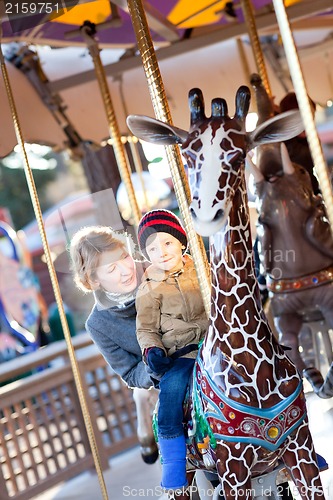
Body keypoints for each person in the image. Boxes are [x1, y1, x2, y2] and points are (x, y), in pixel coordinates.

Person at [136, 209, 208, 491]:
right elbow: (145, 328)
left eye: (167, 242)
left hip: (215, 341)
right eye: (152, 248)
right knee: (172, 393)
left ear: (181, 241)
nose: (161, 252)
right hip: (183, 353)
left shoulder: (201, 268)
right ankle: (175, 461)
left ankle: (292, 437)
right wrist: (152, 349)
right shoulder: (149, 287)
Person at [69, 226, 153, 390]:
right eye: (112, 268)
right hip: (165, 374)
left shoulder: (156, 270)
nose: (126, 270)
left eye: (125, 257)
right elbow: (130, 373)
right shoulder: (98, 324)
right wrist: (155, 367)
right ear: (94, 280)